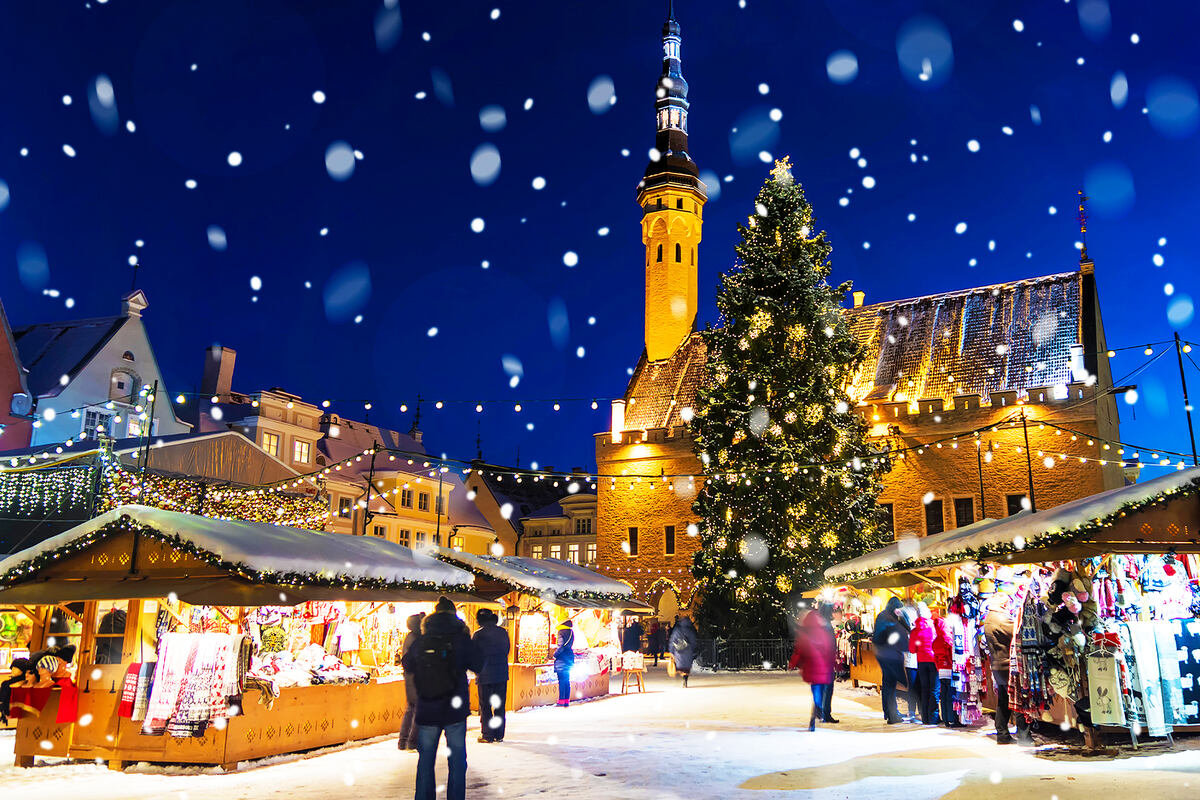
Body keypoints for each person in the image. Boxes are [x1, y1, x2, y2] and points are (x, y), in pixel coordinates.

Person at [402, 596, 477, 800]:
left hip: (428, 707)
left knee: (426, 760)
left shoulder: (423, 639)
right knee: (457, 760)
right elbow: (478, 664)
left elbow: (407, 664)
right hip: (455, 709)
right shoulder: (461, 638)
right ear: (454, 615)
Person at [983, 591, 1032, 745]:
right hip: (1007, 666)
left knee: (1004, 702)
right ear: (1004, 605)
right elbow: (1017, 632)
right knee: (1018, 700)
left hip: (998, 665)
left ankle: (1002, 734)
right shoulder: (1000, 619)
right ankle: (1024, 736)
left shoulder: (990, 618)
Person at [789, 605, 836, 730]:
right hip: (824, 667)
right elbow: (829, 649)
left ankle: (817, 709)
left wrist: (793, 663)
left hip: (811, 667)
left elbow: (799, 650)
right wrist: (833, 663)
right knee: (821, 689)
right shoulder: (823, 632)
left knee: (816, 690)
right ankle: (818, 709)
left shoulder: (804, 634)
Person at [472, 608, 510, 743]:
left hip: (484, 675)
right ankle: (499, 734)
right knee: (500, 705)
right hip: (501, 674)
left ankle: (487, 735)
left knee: (486, 706)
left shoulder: (478, 635)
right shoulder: (503, 633)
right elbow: (507, 650)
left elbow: (473, 654)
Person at [872, 597, 909, 724]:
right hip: (889, 655)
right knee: (889, 685)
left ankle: (890, 712)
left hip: (886, 654)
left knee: (889, 684)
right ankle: (892, 714)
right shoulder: (887, 617)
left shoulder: (885, 615)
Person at [397, 612, 425, 751]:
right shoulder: (416, 639)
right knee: (418, 709)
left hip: (410, 677)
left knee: (411, 709)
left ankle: (403, 741)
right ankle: (412, 742)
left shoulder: (411, 637)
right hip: (416, 678)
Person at [908, 601, 937, 724]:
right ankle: (934, 717)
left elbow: (912, 649)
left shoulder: (914, 630)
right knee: (934, 689)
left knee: (924, 689)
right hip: (934, 661)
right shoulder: (933, 626)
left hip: (921, 662)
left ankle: (925, 717)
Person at [932, 614, 960, 727]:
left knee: (943, 695)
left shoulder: (936, 640)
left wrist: (939, 667)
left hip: (941, 671)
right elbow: (951, 654)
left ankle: (946, 718)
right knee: (951, 695)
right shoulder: (947, 638)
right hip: (949, 669)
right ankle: (953, 718)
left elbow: (935, 657)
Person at [900, 604, 920, 722]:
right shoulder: (908, 632)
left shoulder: (913, 630)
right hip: (913, 661)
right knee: (914, 687)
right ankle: (914, 710)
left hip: (914, 661)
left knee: (914, 687)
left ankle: (915, 710)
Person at [668, 615, 698, 687]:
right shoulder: (690, 629)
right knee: (686, 668)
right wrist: (693, 650)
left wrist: (671, 651)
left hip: (679, 651)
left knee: (680, 666)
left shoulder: (677, 629)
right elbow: (693, 640)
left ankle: (681, 676)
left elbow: (673, 640)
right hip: (688, 650)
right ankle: (685, 678)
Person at [553, 620, 575, 707]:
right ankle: (566, 700)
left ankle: (561, 701)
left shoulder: (561, 632)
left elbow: (560, 646)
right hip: (569, 657)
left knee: (561, 680)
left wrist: (555, 655)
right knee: (566, 680)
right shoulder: (571, 632)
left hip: (562, 658)